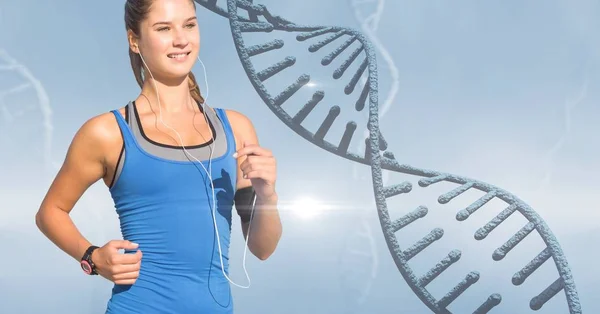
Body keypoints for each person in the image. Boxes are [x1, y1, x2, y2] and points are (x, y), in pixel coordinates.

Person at [34, 0, 283, 313]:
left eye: (189, 25)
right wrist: (92, 257)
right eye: (164, 28)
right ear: (134, 40)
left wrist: (268, 194)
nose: (181, 38)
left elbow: (263, 248)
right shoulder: (108, 132)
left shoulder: (237, 128)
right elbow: (50, 211)